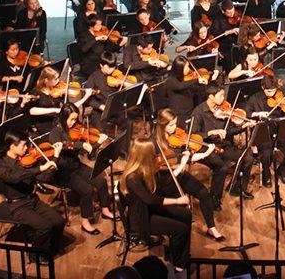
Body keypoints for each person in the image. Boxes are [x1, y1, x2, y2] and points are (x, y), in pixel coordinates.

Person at [120, 137, 192, 273]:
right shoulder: (132, 178)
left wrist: (179, 166)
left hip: (150, 209)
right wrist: (177, 201)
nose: (156, 156)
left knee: (186, 214)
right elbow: (150, 200)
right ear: (144, 155)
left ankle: (181, 257)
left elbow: (161, 186)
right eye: (152, 153)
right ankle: (177, 264)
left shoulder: (143, 169)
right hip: (142, 218)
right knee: (181, 229)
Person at [152, 108, 225, 240]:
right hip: (166, 181)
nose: (175, 127)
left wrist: (204, 154)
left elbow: (184, 156)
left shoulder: (175, 136)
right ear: (162, 125)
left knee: (203, 193)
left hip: (179, 173)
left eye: (175, 123)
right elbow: (161, 169)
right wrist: (181, 164)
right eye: (171, 125)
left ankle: (211, 227)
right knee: (179, 212)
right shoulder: (155, 142)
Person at [0, 131, 65, 266]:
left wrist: (55, 158)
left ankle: (51, 248)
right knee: (45, 227)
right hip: (17, 206)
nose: (27, 148)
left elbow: (44, 178)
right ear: (11, 146)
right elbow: (15, 177)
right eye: (23, 146)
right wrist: (40, 168)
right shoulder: (0, 165)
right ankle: (34, 255)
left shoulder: (26, 160)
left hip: (32, 200)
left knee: (59, 221)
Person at [47, 104, 112, 235]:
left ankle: (105, 209)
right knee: (86, 190)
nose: (73, 123)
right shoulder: (55, 133)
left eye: (75, 120)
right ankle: (85, 222)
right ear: (63, 117)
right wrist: (80, 144)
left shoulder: (75, 130)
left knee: (101, 180)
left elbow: (89, 153)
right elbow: (64, 146)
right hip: (63, 171)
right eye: (70, 119)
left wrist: (98, 142)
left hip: (76, 166)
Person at [190, 85, 257, 200]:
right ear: (211, 96)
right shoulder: (198, 112)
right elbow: (192, 135)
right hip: (207, 147)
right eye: (220, 95)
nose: (223, 98)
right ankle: (214, 199)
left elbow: (229, 131)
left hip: (223, 145)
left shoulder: (224, 109)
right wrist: (210, 132)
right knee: (221, 168)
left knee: (248, 157)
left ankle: (237, 188)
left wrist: (243, 126)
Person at [244, 74, 285, 187]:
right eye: (269, 91)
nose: (272, 94)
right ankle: (266, 175)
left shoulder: (281, 95)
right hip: (264, 132)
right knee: (266, 154)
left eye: (274, 90)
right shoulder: (254, 98)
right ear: (263, 88)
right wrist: (257, 114)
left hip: (280, 130)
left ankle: (282, 172)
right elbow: (246, 113)